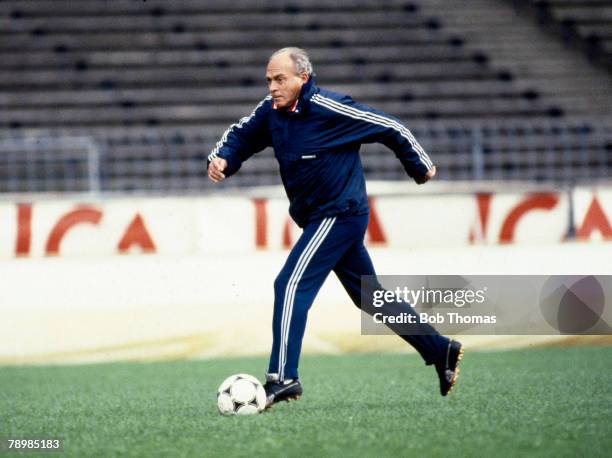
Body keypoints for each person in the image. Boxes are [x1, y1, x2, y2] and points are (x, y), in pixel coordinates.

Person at [208, 47, 463, 408]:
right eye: (269, 80)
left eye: (280, 79)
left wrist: (418, 165)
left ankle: (283, 378)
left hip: (340, 213)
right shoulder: (272, 112)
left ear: (303, 78)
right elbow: (241, 135)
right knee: (369, 298)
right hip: (318, 217)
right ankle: (440, 349)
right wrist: (222, 158)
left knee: (290, 283)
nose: (273, 87)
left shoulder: (330, 108)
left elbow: (390, 126)